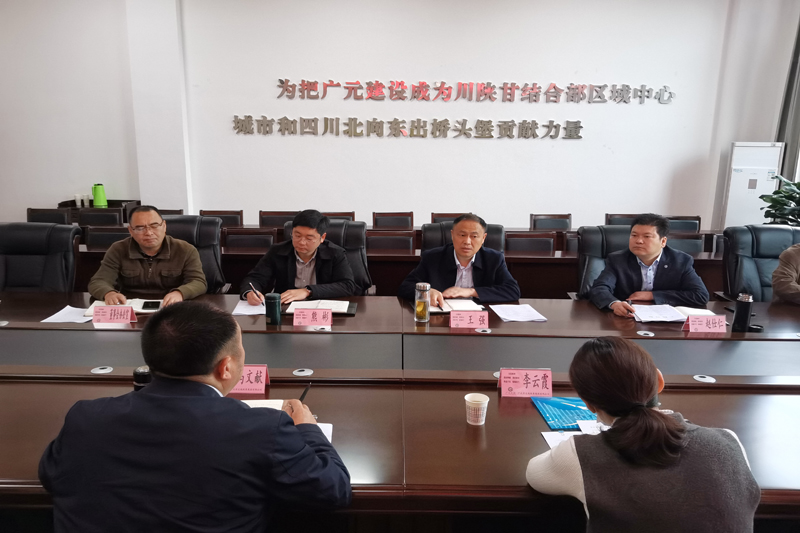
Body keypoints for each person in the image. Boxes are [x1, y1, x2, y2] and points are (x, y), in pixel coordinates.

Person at [39, 301, 351, 532]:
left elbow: (51, 476)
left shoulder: (85, 418)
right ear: (225, 367)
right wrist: (308, 429)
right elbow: (333, 490)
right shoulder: (262, 429)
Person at [526, 337, 760, 532]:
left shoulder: (580, 454)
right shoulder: (728, 441)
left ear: (588, 404)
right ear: (659, 381)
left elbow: (534, 474)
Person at [587, 213, 709, 316]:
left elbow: (700, 295)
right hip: (627, 318)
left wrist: (653, 295)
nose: (639, 241)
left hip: (665, 322)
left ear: (663, 241)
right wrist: (614, 304)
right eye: (634, 235)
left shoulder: (680, 261)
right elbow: (599, 288)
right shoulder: (618, 260)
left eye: (647, 236)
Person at [87, 205, 207, 306]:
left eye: (154, 226)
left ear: (164, 226)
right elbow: (99, 281)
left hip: (170, 306)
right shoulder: (118, 249)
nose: (149, 233)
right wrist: (109, 293)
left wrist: (180, 293)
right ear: (131, 231)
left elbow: (198, 281)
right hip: (130, 306)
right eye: (140, 228)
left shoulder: (185, 250)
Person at [398, 213, 520, 305]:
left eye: (474, 236)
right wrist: (426, 292)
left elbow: (513, 290)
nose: (467, 241)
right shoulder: (432, 257)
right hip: (442, 317)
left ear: (483, 238)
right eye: (462, 235)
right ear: (452, 235)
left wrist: (471, 292)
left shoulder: (494, 259)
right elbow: (406, 287)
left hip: (479, 318)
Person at [242, 209, 356, 305]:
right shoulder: (277, 251)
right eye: (297, 235)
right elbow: (255, 278)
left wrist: (308, 291)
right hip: (285, 307)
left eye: (309, 238)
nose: (301, 242)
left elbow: (347, 286)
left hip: (321, 306)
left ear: (322, 238)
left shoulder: (335, 253)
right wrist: (250, 292)